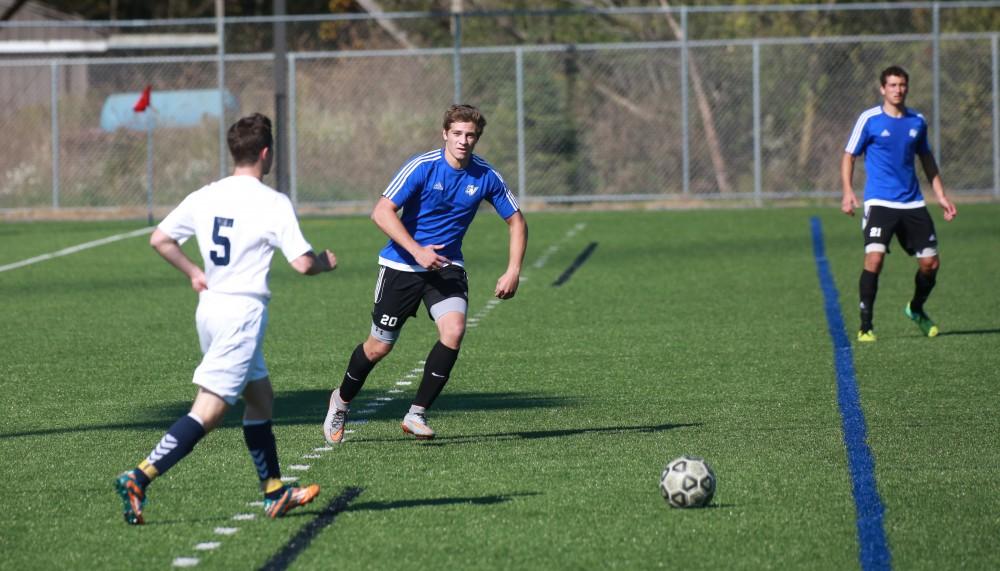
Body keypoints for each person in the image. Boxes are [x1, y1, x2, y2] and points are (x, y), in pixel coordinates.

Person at [114, 113, 338, 525]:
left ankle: (274, 492)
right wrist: (324, 261)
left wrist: (194, 272)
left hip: (211, 308)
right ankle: (139, 476)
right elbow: (303, 264)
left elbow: (160, 239)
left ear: (234, 152)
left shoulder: (206, 195)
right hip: (241, 314)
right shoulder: (272, 202)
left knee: (260, 397)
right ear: (266, 154)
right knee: (210, 410)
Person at [323, 104, 527, 443]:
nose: (464, 141)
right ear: (445, 133)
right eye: (458, 134)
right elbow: (381, 211)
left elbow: (516, 221)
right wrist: (417, 251)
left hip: (446, 268)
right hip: (401, 267)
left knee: (454, 329)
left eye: (471, 135)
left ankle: (416, 413)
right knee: (378, 348)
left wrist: (513, 270)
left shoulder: (486, 175)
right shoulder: (422, 167)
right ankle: (340, 402)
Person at [841, 65, 958, 342]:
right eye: (892, 85)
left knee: (930, 263)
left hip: (913, 203)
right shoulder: (869, 119)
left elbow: (926, 158)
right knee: (875, 257)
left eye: (902, 85)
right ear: (883, 89)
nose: (898, 90)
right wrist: (847, 191)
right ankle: (866, 325)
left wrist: (940, 195)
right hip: (880, 202)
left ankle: (916, 309)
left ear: (907, 87)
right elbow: (849, 155)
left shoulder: (917, 121)